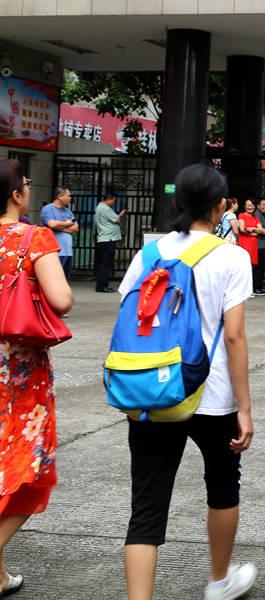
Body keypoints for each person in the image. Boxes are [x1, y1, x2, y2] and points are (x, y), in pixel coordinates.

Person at [118, 164, 256, 600]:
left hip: (153, 392)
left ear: (178, 203)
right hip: (212, 397)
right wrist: (245, 408)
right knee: (222, 486)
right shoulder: (231, 256)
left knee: (147, 505)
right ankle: (219, 581)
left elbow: (130, 314)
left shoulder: (149, 254)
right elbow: (234, 336)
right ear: (220, 207)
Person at [0, 159, 73, 597]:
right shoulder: (34, 237)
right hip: (19, 372)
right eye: (26, 183)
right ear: (15, 194)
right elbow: (62, 299)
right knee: (28, 464)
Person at [40, 186, 78, 280]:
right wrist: (67, 224)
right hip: (54, 251)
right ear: (60, 196)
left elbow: (75, 228)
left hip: (67, 251)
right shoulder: (48, 209)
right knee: (54, 279)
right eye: (68, 196)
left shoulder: (68, 211)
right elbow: (51, 224)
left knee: (65, 279)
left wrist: (59, 226)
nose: (70, 198)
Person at [94, 190, 126, 293]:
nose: (114, 203)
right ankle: (102, 286)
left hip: (103, 239)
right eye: (114, 201)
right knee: (106, 264)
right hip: (108, 239)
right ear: (109, 199)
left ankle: (101, 284)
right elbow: (116, 220)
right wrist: (121, 214)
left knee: (102, 263)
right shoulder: (105, 208)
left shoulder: (99, 207)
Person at [236, 199, 264, 295]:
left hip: (253, 245)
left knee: (251, 266)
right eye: (248, 205)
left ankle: (248, 290)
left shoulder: (255, 218)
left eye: (252, 205)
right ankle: (241, 290)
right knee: (243, 266)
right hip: (244, 242)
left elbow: (261, 230)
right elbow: (242, 229)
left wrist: (252, 229)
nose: (250, 207)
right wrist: (253, 233)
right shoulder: (241, 215)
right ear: (244, 206)